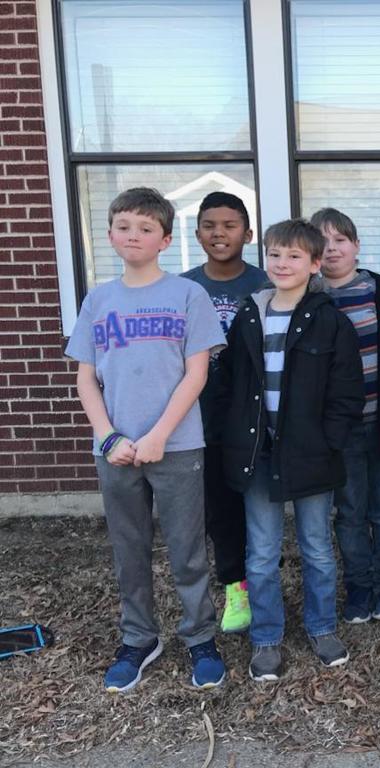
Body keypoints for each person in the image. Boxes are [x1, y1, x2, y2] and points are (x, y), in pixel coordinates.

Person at [65, 187, 227, 692]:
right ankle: (139, 638)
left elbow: (196, 374)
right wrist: (109, 436)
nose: (133, 235)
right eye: (123, 226)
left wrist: (159, 434)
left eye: (145, 228)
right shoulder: (99, 299)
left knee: (187, 550)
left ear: (164, 239)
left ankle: (200, 637)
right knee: (128, 547)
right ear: (110, 233)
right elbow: (86, 378)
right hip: (115, 450)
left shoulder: (186, 295)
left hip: (176, 447)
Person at [215, 219, 364, 681]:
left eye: (295, 256)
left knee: (317, 546)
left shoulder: (329, 320)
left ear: (315, 264)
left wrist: (328, 442)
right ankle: (266, 638)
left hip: (311, 454)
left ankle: (321, 628)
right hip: (257, 454)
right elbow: (229, 385)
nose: (283, 263)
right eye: (276, 254)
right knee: (261, 552)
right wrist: (232, 436)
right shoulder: (247, 316)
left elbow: (347, 392)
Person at [310, 207, 380, 623]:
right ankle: (358, 587)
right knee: (350, 510)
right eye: (323, 241)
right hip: (339, 430)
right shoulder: (310, 298)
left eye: (341, 239)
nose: (332, 248)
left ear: (356, 245)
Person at [181, 191, 267, 634]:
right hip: (203, 415)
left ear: (247, 234)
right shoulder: (183, 287)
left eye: (230, 225)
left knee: (258, 504)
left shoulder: (266, 285)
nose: (219, 233)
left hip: (253, 415)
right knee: (220, 506)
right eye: (210, 225)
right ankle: (236, 585)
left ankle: (264, 580)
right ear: (197, 234)